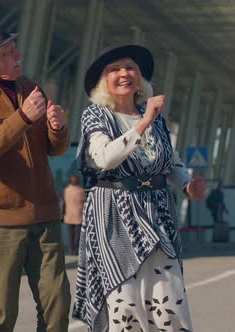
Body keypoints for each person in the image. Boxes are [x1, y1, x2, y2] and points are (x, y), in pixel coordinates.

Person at [72, 45, 207, 331]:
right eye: (114, 69)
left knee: (169, 302)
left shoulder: (154, 116)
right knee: (126, 306)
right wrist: (144, 123)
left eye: (130, 67)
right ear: (102, 81)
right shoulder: (96, 115)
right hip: (114, 215)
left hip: (157, 213)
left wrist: (187, 185)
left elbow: (171, 161)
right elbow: (105, 158)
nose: (124, 74)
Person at [0, 21, 71, 331]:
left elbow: (52, 149)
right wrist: (22, 118)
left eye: (14, 50)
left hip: (45, 214)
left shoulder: (30, 88)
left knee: (57, 306)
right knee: (0, 313)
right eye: (8, 53)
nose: (17, 56)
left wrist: (58, 128)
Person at [63, 175, 85, 255]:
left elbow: (64, 203)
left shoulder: (66, 190)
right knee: (78, 234)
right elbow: (84, 202)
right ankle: (76, 250)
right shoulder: (81, 191)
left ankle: (71, 250)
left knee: (70, 234)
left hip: (69, 215)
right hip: (78, 215)